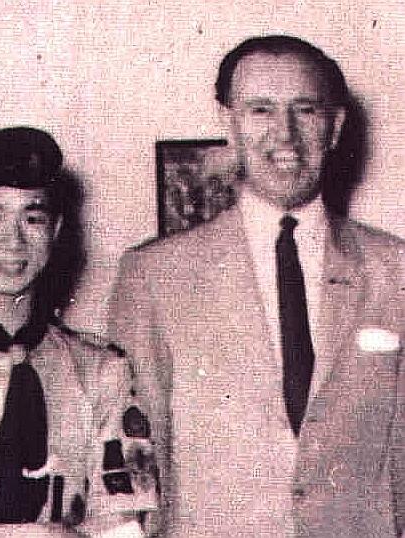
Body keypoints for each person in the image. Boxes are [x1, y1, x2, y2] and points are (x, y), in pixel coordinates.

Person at [108, 34, 404, 537]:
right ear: (230, 123)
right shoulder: (154, 277)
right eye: (260, 110)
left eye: (305, 110)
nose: (284, 134)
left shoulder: (394, 270)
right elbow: (134, 474)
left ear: (334, 127)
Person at [0, 127, 162, 537]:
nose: (14, 241)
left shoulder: (100, 371)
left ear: (55, 230)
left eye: (33, 219)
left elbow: (121, 525)